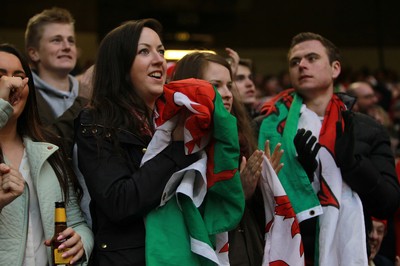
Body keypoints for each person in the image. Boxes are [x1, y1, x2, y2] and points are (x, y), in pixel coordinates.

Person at [257, 32, 400, 265]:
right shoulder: (266, 126)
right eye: (295, 62)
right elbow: (255, 205)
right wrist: (302, 172)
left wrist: (353, 165)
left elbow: (388, 203)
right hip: (291, 249)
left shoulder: (365, 128)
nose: (302, 65)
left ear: (335, 69)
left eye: (312, 58)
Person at [74, 19, 200, 265]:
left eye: (161, 51)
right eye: (144, 51)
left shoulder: (176, 117)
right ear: (120, 65)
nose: (159, 60)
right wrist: (175, 149)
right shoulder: (96, 122)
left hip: (180, 253)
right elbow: (120, 202)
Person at [171, 51, 283, 266]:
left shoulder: (239, 137)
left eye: (229, 85)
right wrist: (237, 191)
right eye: (215, 85)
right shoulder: (177, 144)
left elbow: (255, 216)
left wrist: (261, 188)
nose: (227, 94)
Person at [0, 43, 93, 265]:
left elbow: (77, 222)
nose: (11, 84)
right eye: (1, 76)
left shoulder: (49, 150)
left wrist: (81, 241)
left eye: (19, 76)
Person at [25, 7, 91, 158]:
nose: (67, 47)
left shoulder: (88, 89)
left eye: (71, 40)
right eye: (56, 40)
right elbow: (45, 150)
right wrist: (82, 101)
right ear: (34, 53)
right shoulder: (26, 96)